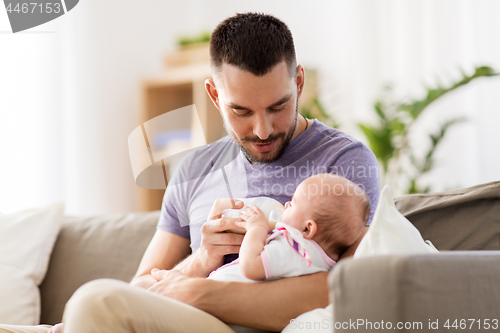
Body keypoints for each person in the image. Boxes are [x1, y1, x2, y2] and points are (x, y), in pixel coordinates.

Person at [0, 12, 379, 333]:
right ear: (215, 96)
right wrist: (202, 261)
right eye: (241, 112)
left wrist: (198, 292)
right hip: (179, 319)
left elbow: (352, 289)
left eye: (278, 106)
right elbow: (142, 287)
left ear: (297, 83)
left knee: (95, 299)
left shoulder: (343, 162)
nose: (263, 130)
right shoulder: (195, 169)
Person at [208, 174, 369, 283]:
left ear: (307, 229)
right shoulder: (311, 258)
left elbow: (250, 267)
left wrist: (256, 229)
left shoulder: (295, 248)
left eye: (293, 202)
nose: (286, 204)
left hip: (219, 305)